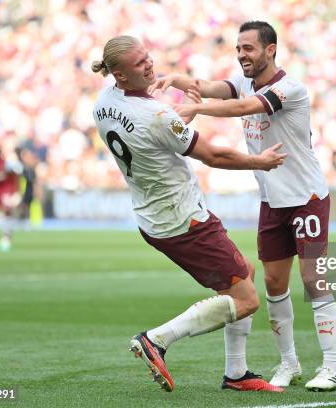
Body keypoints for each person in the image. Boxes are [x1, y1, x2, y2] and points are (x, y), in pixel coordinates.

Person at [151, 21, 336, 391]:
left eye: (249, 49)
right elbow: (209, 86)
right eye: (238, 49)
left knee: (312, 278)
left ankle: (332, 367)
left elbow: (243, 107)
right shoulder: (242, 80)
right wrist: (175, 78)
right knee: (273, 283)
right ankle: (289, 363)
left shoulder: (290, 88)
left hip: (308, 200)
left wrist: (198, 108)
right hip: (272, 201)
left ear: (270, 50)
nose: (242, 55)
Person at [91, 35, 287, 393]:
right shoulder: (157, 116)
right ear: (119, 74)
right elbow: (214, 156)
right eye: (140, 64)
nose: (150, 65)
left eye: (148, 57)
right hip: (184, 219)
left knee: (245, 269)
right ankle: (157, 340)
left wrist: (172, 104)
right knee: (246, 300)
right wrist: (259, 161)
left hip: (153, 216)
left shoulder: (103, 102)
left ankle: (237, 373)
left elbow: (146, 123)